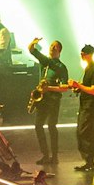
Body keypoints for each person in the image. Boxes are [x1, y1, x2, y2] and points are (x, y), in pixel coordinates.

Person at [27, 38, 70, 167]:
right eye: (51, 46)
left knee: (52, 126)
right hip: (42, 99)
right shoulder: (45, 62)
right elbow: (31, 50)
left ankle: (54, 156)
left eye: (55, 47)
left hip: (53, 100)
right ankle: (45, 154)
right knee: (38, 126)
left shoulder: (61, 67)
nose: (52, 48)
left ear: (60, 51)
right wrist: (33, 42)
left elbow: (65, 87)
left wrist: (49, 88)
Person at [71, 43, 94, 171]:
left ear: (89, 54)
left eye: (83, 54)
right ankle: (91, 160)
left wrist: (78, 86)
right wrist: (78, 88)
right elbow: (87, 88)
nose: (82, 56)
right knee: (84, 132)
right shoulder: (88, 69)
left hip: (91, 106)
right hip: (84, 105)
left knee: (84, 132)